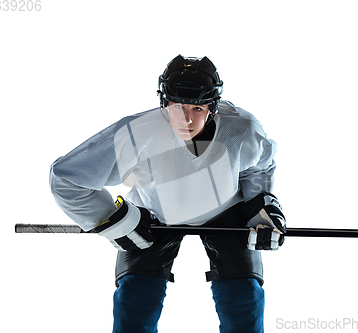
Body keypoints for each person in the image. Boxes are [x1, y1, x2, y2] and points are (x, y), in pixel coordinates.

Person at [49, 54, 286, 333]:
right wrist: (116, 221)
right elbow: (65, 178)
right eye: (177, 107)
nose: (186, 118)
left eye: (197, 108)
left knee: (243, 301)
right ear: (165, 103)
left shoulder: (242, 130)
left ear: (212, 107)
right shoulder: (136, 135)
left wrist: (261, 207)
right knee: (135, 305)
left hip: (227, 213)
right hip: (154, 215)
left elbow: (259, 167)